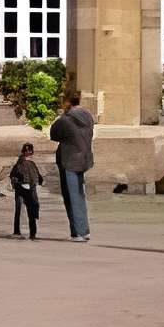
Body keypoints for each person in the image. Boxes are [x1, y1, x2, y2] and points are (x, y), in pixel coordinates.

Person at [49, 89, 98, 240]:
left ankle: (79, 232)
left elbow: (53, 134)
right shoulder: (88, 116)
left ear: (67, 102)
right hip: (83, 159)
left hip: (68, 160)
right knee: (79, 194)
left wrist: (64, 114)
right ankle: (84, 230)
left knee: (72, 196)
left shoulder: (66, 119)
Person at [7, 144, 45, 239]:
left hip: (29, 189)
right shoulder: (21, 163)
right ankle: (21, 232)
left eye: (29, 150)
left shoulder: (30, 163)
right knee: (23, 210)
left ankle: (30, 233)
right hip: (22, 189)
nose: (28, 152)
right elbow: (13, 175)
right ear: (24, 152)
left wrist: (39, 181)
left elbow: (38, 176)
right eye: (26, 150)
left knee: (29, 210)